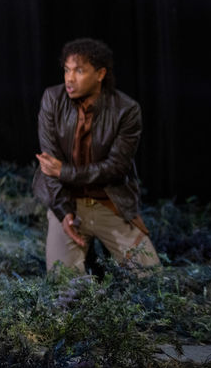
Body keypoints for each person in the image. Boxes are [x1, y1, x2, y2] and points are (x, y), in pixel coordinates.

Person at [33, 38, 160, 273]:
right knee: (63, 284)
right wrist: (63, 212)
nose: (69, 78)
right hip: (68, 202)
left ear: (100, 74)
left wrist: (64, 171)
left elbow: (116, 167)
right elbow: (49, 166)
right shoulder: (52, 99)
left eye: (79, 71)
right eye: (67, 70)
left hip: (109, 204)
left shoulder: (126, 109)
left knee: (151, 278)